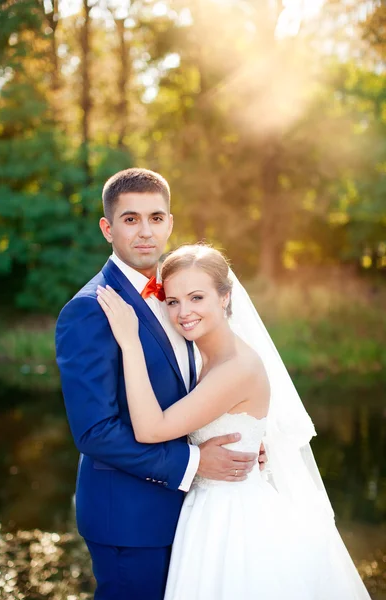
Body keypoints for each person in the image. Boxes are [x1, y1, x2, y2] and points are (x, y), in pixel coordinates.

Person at [96, 243, 372, 600]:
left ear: (225, 297)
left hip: (233, 521)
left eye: (197, 298)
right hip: (206, 509)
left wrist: (130, 343)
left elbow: (151, 429)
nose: (183, 312)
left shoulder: (237, 367)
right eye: (174, 301)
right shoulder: (201, 353)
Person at [55, 168, 266, 600]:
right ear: (107, 228)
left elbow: (198, 391)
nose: (145, 231)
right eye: (130, 219)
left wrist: (243, 438)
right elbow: (94, 432)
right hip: (129, 520)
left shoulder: (181, 296)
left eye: (156, 217)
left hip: (195, 516)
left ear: (170, 222)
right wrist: (194, 463)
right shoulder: (90, 310)